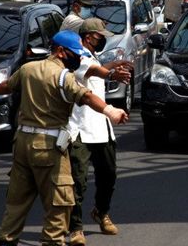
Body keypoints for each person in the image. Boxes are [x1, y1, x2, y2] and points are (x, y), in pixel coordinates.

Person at [0, 31, 129, 246]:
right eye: (75, 53)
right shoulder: (63, 77)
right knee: (60, 201)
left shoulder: (28, 69)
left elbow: (7, 86)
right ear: (60, 51)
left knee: (17, 201)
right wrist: (109, 110)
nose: (78, 58)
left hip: (22, 144)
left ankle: (7, 240)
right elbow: (85, 96)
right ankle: (52, 242)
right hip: (48, 147)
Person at [67, 18, 133, 246]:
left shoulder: (91, 55)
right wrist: (112, 75)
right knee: (78, 181)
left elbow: (97, 68)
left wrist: (114, 66)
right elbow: (92, 70)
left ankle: (101, 212)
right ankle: (75, 228)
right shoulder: (78, 57)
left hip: (101, 126)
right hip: (80, 129)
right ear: (89, 37)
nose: (103, 39)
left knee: (109, 175)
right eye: (100, 36)